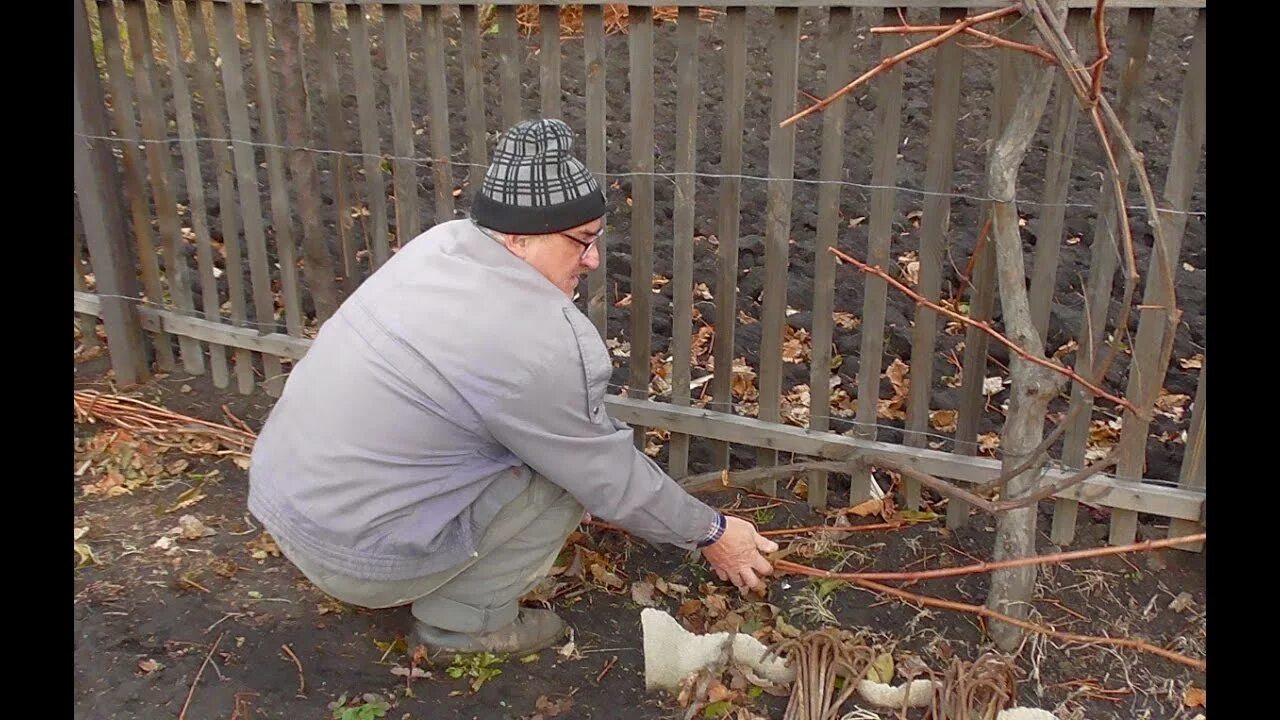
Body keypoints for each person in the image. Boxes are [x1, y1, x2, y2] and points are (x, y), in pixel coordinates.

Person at [247, 118, 778, 655]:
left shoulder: (440, 248)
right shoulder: (536, 341)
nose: (593, 260)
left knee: (545, 457)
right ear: (519, 240)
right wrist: (712, 532)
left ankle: (411, 571)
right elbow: (607, 477)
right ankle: (466, 626)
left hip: (288, 508)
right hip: (353, 556)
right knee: (561, 479)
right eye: (583, 242)